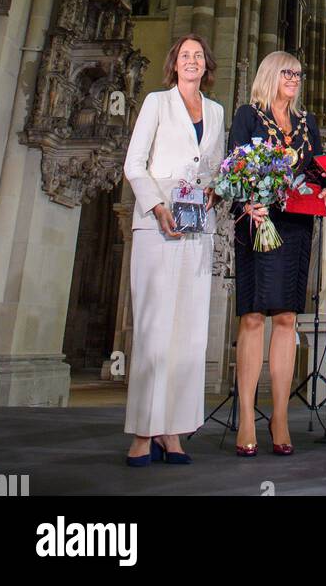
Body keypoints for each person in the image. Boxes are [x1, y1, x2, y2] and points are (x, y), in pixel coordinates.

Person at [123, 35, 224, 466]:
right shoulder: (156, 103)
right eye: (185, 55)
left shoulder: (216, 111)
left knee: (189, 332)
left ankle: (174, 431)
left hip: (198, 228)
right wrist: (158, 205)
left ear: (206, 65)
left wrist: (217, 194)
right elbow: (134, 163)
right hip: (157, 226)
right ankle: (144, 432)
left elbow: (218, 168)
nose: (192, 61)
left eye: (198, 56)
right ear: (174, 64)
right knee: (154, 329)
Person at [228, 51, 326, 457]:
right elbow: (234, 166)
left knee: (287, 317)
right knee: (253, 316)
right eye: (287, 72)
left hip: (295, 225)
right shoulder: (248, 116)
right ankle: (249, 416)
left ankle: (281, 416)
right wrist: (246, 203)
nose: (294, 79)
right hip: (256, 220)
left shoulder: (308, 123)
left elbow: (318, 171)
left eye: (298, 74)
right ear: (270, 74)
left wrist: (325, 187)